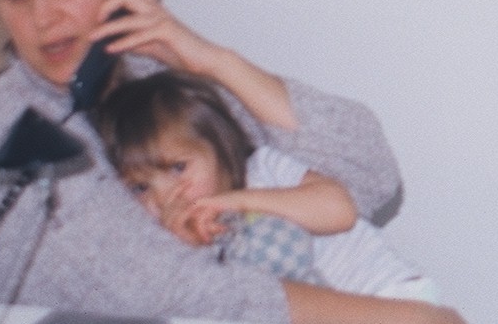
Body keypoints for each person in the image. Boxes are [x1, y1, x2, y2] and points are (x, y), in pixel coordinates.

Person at [0, 0, 474, 324]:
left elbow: (366, 172)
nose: (42, 18)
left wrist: (210, 61)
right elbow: (170, 295)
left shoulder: (149, 74)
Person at [95, 71, 443, 306]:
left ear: (219, 146)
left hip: (389, 294)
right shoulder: (169, 237)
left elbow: (340, 212)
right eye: (140, 187)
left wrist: (237, 201)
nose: (165, 196)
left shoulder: (263, 170)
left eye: (178, 168)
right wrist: (188, 248)